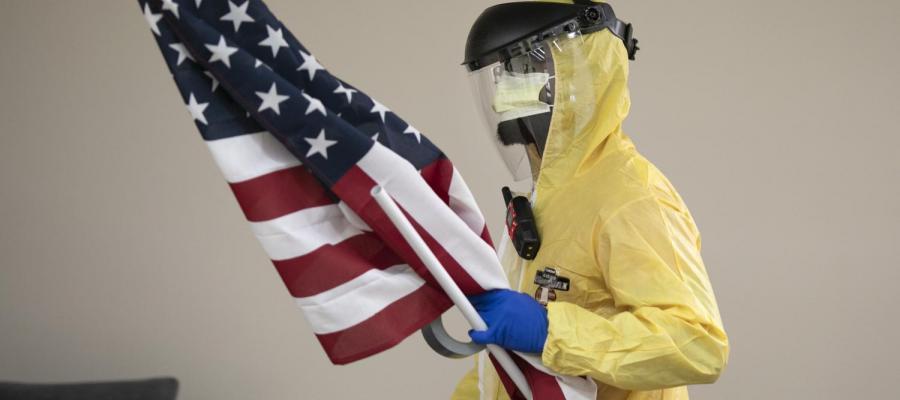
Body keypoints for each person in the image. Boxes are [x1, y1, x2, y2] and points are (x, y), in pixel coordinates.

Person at [451, 1, 729, 399]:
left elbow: (698, 345)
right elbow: (508, 366)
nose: (509, 95)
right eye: (506, 75)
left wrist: (553, 331)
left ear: (583, 70)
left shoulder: (630, 198)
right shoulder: (547, 199)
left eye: (528, 69)